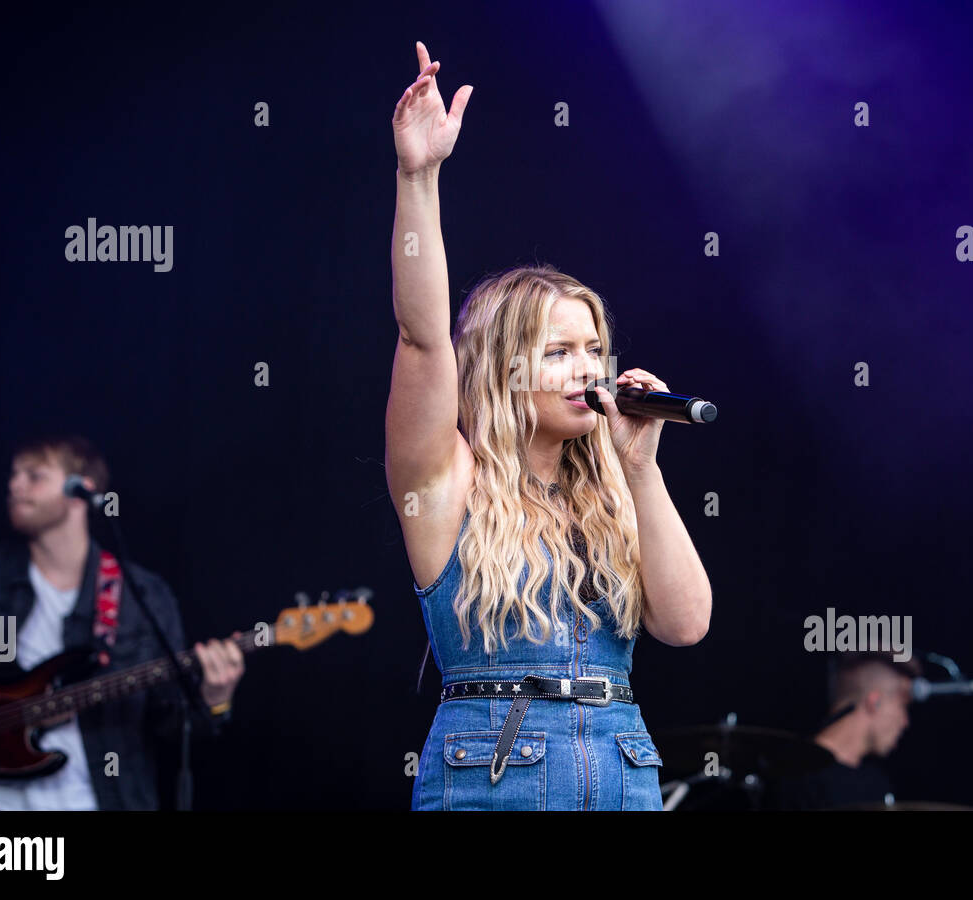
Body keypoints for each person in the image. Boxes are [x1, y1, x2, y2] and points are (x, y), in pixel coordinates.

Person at [386, 41, 713, 810]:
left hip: (622, 768)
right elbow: (422, 338)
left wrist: (641, 468)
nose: (587, 368)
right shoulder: (448, 476)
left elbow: (687, 623)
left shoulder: (609, 491)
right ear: (503, 368)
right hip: (496, 777)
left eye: (595, 349)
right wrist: (418, 177)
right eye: (559, 351)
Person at [0, 435, 244, 810]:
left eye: (33, 475)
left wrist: (215, 700)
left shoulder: (142, 597)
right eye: (13, 474)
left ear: (81, 491)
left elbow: (170, 728)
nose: (14, 485)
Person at [771, 652, 919, 809]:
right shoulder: (796, 777)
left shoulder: (877, 783)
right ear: (874, 702)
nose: (905, 722)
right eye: (902, 706)